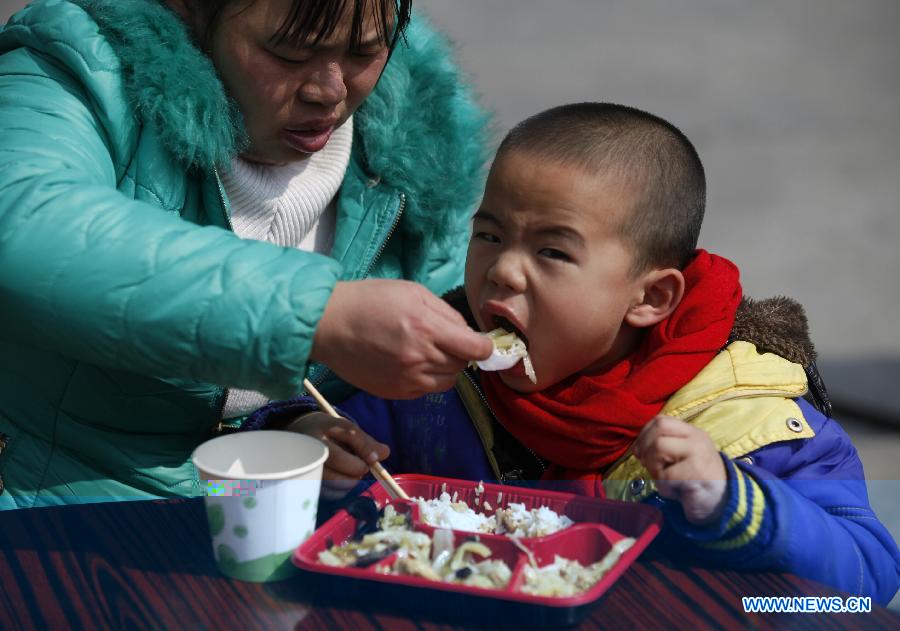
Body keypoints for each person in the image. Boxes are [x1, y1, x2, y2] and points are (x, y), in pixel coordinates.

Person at [249, 102, 900, 604]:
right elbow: (344, 469)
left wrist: (735, 501)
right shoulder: (439, 389)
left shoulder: (745, 419)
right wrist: (309, 442)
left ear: (650, 297)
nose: (503, 270)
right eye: (490, 234)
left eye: (552, 251)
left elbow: (868, 574)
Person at [0, 0, 494, 509]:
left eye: (364, 50)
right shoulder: (79, 64)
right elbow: (24, 223)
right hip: (59, 512)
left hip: (281, 524)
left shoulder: (419, 141)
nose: (330, 89)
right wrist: (318, 315)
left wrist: (301, 423)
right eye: (288, 52)